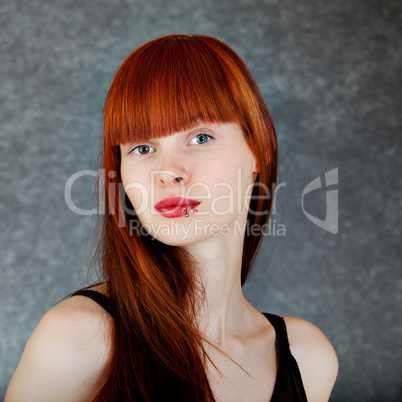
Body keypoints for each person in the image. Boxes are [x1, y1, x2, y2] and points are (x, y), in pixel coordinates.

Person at [6, 34, 338, 401]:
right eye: (143, 147)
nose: (168, 172)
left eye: (200, 138)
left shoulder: (308, 358)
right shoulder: (78, 338)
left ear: (258, 150)